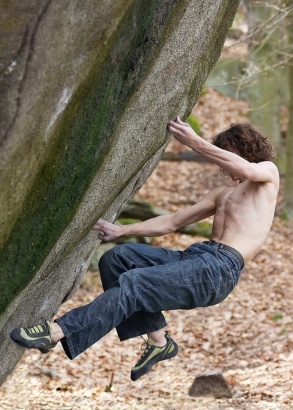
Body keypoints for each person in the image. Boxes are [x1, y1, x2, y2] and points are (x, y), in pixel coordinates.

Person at [10, 117, 279, 381]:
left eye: (225, 155)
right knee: (117, 259)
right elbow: (172, 221)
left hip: (219, 270)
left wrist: (195, 143)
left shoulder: (267, 174)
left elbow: (246, 170)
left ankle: (57, 331)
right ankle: (159, 340)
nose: (221, 163)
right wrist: (122, 231)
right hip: (198, 256)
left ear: (246, 150)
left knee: (135, 283)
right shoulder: (223, 194)